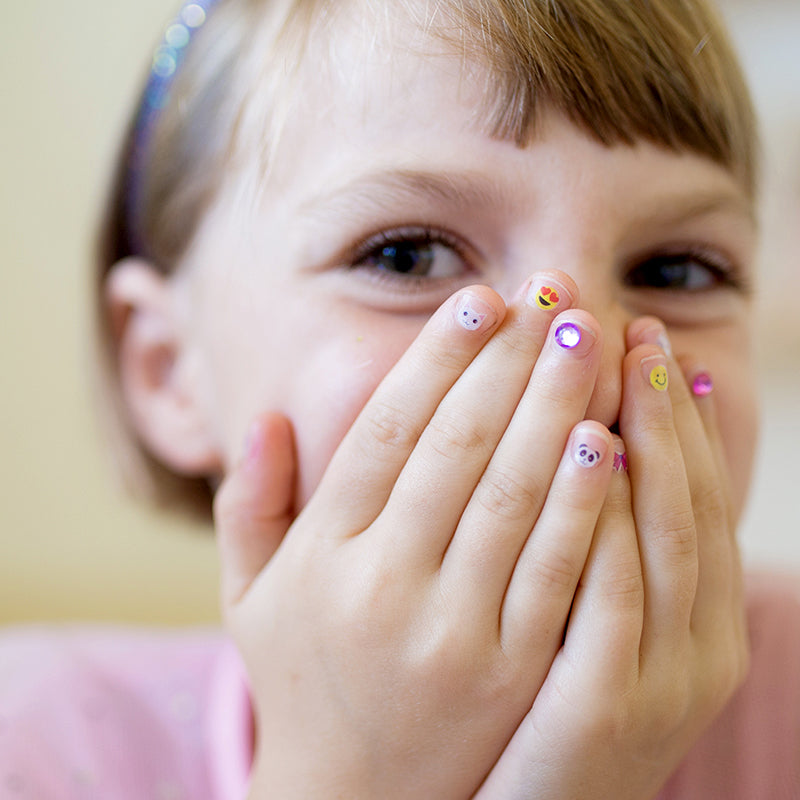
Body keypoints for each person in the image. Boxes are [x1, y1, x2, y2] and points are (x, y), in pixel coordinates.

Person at [2, 0, 799, 797]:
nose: (577, 361)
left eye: (676, 271)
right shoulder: (31, 741)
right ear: (169, 371)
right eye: (410, 257)